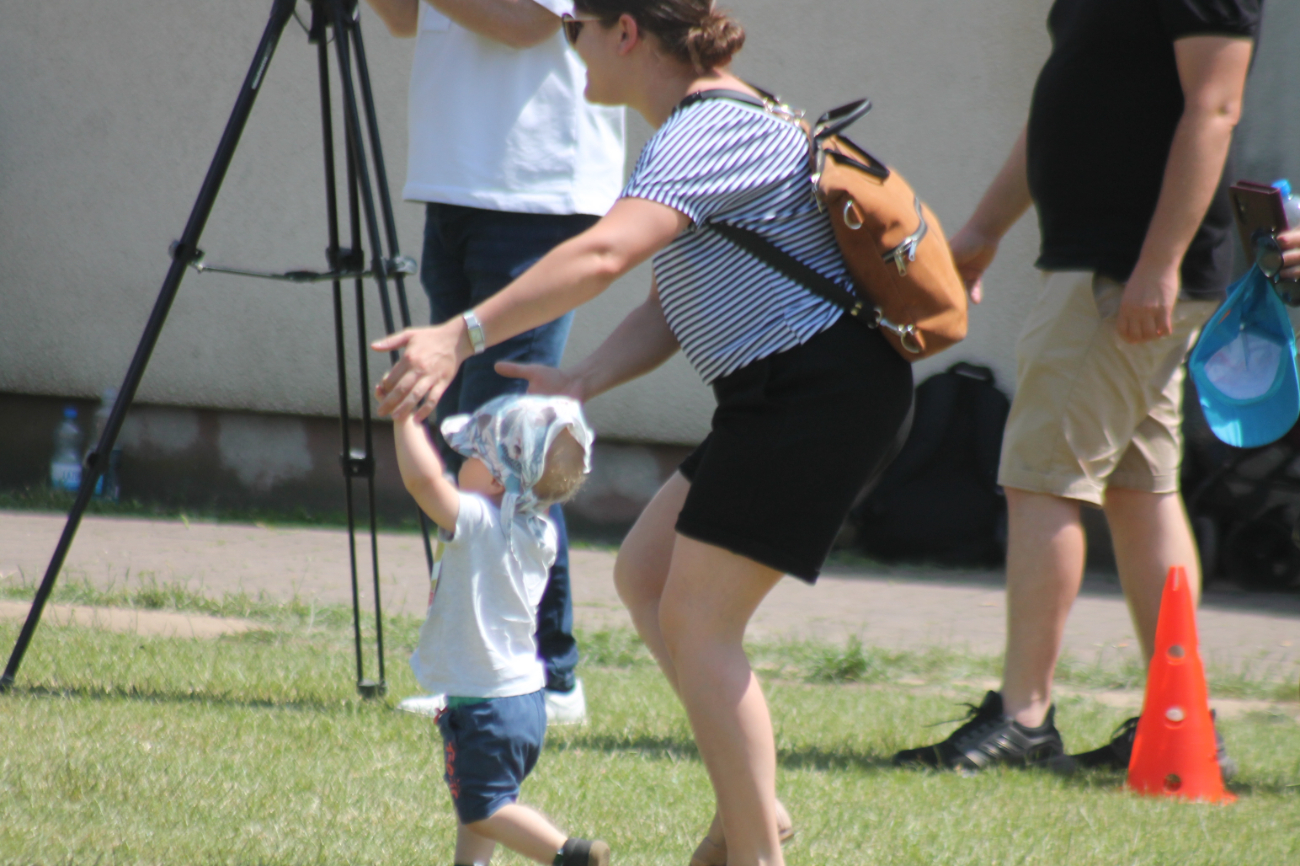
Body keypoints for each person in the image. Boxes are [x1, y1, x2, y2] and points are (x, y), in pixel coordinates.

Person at [369, 2, 913, 863]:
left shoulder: (704, 130)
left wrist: (459, 334)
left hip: (816, 399)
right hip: (782, 396)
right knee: (648, 575)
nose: (569, 44)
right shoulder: (707, 122)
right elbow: (675, 296)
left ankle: (756, 843)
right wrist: (583, 379)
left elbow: (601, 256)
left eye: (577, 28)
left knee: (699, 626)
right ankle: (754, 811)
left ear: (626, 33)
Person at [893, 0, 1263, 773]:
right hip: (1105, 265)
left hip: (1124, 271)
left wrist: (1158, 265)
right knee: (1139, 490)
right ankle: (1181, 715)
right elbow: (1068, 98)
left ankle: (1024, 718)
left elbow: (1214, 107)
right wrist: (983, 230)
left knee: (1044, 481)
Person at [363, 0, 628, 724]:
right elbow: (403, 19)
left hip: (536, 191)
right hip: (455, 181)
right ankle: (506, 665)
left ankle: (546, 673)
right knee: (471, 438)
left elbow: (525, 20)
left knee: (510, 442)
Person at [391, 391, 608, 866]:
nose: (456, 464)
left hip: (487, 707)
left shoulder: (478, 522)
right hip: (526, 702)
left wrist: (404, 419)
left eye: (468, 455)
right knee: (481, 802)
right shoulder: (541, 531)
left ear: (492, 477)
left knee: (485, 807)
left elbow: (424, 481)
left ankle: (567, 854)